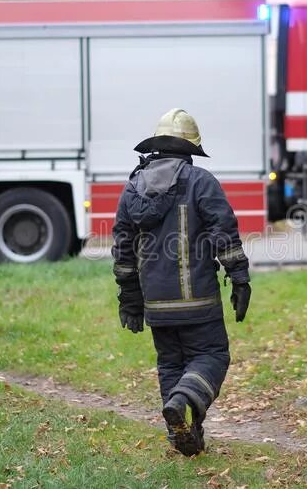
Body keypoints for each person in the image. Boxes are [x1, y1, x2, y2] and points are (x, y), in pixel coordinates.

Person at [111, 108, 251, 457]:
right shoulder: (200, 181)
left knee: (171, 365)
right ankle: (183, 401)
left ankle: (186, 434)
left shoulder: (132, 189)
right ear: (190, 149)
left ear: (157, 147)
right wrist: (239, 278)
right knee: (212, 355)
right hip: (198, 302)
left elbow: (123, 253)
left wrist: (130, 301)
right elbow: (224, 232)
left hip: (157, 307)